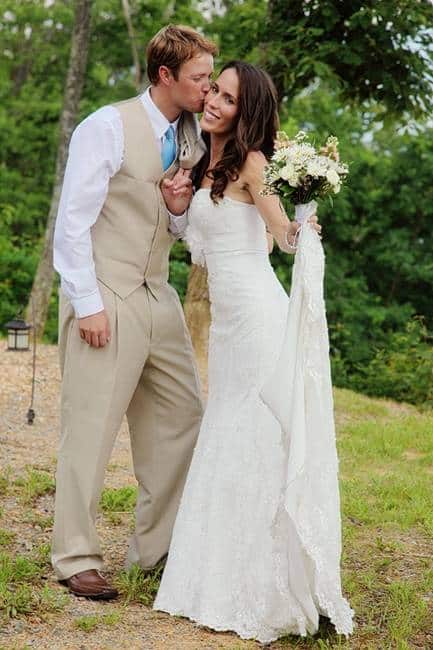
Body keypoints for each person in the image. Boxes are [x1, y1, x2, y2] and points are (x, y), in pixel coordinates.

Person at [154, 61, 354, 642]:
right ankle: (213, 575)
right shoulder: (197, 161)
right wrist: (174, 202)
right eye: (214, 89)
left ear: (248, 112)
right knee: (226, 433)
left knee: (261, 437)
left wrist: (304, 217)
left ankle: (274, 583)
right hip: (228, 327)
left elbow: (282, 237)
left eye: (229, 97)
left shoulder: (251, 163)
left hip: (260, 319)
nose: (214, 100)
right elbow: (196, 244)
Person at [51, 25, 217, 600]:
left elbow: (173, 223)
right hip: (107, 293)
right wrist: (88, 304)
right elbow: (72, 222)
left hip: (158, 294)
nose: (208, 86)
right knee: (90, 429)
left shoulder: (194, 135)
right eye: (199, 77)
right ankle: (75, 556)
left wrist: (176, 211)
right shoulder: (106, 126)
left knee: (183, 419)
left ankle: (155, 552)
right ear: (166, 75)